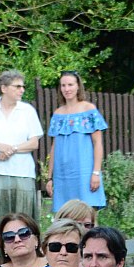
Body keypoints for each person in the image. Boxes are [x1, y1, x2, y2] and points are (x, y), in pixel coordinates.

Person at [0, 71, 45, 261]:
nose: (22, 90)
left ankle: (26, 265)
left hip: (22, 173)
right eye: (17, 86)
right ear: (4, 88)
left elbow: (34, 143)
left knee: (23, 220)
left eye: (23, 86)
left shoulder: (27, 110)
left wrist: (11, 149)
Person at [44, 71, 107, 211]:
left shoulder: (89, 109)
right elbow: (54, 147)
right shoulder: (57, 113)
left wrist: (96, 173)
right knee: (65, 219)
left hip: (84, 174)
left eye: (70, 85)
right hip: (62, 176)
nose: (67, 89)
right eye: (63, 85)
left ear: (78, 86)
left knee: (87, 217)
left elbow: (98, 144)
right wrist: (49, 178)